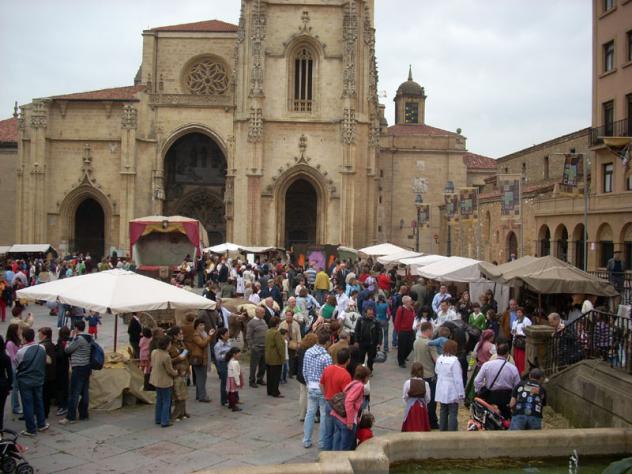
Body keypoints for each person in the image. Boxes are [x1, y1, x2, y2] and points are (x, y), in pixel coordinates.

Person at [302, 329, 333, 449]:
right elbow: (329, 376)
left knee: (310, 413)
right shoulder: (326, 357)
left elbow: (304, 370)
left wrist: (308, 383)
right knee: (324, 415)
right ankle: (322, 442)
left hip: (311, 386)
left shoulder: (308, 352)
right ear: (327, 342)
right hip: (322, 388)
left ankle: (306, 440)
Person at [474, 342, 520, 420]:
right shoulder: (513, 368)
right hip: (506, 398)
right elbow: (517, 385)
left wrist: (479, 390)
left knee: (489, 419)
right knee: (505, 420)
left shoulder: (487, 365)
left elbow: (477, 381)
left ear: (497, 352)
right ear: (507, 353)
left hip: (491, 397)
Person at [15, 327, 48, 436]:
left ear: (24, 338)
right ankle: (41, 424)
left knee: (28, 404)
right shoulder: (42, 347)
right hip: (38, 379)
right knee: (39, 401)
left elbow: (17, 364)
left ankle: (31, 429)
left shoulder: (21, 351)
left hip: (25, 381)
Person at [60, 320, 92, 425]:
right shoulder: (89, 337)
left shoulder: (79, 339)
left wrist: (70, 338)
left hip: (78, 367)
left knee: (74, 393)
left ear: (76, 328)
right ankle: (83, 414)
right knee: (85, 392)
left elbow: (67, 350)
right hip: (86, 366)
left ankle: (71, 416)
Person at [331, 365, 370, 451]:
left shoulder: (353, 383)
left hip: (337, 416)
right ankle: (343, 459)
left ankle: (333, 456)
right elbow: (349, 401)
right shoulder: (359, 386)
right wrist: (350, 421)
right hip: (346, 420)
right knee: (346, 446)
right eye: (368, 377)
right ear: (364, 377)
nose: (368, 379)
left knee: (337, 440)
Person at [319, 348, 352, 451]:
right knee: (337, 433)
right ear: (348, 360)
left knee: (328, 432)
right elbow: (347, 395)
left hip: (328, 403)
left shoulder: (328, 369)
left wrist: (326, 395)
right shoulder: (346, 375)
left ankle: (326, 453)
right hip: (338, 408)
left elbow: (321, 384)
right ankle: (334, 454)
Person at [412, 322, 439, 429]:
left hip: (417, 374)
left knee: (419, 400)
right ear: (428, 330)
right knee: (431, 401)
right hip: (429, 375)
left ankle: (420, 420)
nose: (432, 332)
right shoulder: (430, 343)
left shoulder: (416, 341)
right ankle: (432, 422)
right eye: (432, 330)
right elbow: (436, 359)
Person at [434, 340, 464, 432]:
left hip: (441, 387)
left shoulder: (440, 358)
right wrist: (461, 393)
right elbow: (458, 379)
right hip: (452, 388)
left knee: (443, 410)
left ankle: (442, 430)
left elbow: (436, 371)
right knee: (453, 412)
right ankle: (452, 432)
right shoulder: (454, 361)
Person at [150, 335, 177, 427]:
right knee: (166, 401)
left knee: (159, 400)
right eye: (170, 344)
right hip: (164, 381)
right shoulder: (166, 356)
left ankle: (158, 418)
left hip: (156, 379)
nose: (170, 346)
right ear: (166, 345)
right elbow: (170, 370)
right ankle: (165, 420)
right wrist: (176, 373)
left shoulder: (154, 352)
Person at [465, 329, 496, 403]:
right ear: (490, 337)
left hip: (478, 367)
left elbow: (473, 356)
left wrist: (470, 365)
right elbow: (495, 358)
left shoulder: (479, 344)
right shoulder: (492, 346)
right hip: (488, 369)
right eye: (493, 336)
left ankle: (470, 399)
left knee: (475, 383)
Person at [401, 362, 432, 432]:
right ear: (422, 371)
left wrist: (409, 402)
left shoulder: (407, 383)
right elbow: (428, 399)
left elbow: (404, 397)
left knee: (411, 426)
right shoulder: (426, 384)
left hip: (411, 407)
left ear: (412, 371)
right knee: (421, 425)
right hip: (422, 408)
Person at [190, 319, 215, 403]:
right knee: (201, 378)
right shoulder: (196, 335)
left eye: (203, 325)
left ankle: (199, 395)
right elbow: (202, 344)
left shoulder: (203, 334)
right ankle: (202, 396)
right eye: (200, 325)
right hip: (198, 359)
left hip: (202, 358)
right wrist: (209, 336)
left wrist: (209, 336)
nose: (202, 327)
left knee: (201, 378)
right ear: (196, 326)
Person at [296, 333, 318, 422]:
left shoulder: (301, 349)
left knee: (303, 395)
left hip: (301, 374)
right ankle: (311, 415)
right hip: (310, 375)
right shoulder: (312, 351)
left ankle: (302, 414)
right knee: (311, 396)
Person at [354, 307, 382, 372]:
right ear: (365, 313)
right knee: (361, 358)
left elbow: (380, 332)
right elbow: (356, 331)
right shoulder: (360, 320)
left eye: (372, 314)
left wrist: (379, 343)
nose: (371, 315)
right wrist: (356, 341)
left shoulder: (376, 321)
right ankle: (362, 370)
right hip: (362, 342)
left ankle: (369, 370)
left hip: (372, 343)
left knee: (371, 358)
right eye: (369, 314)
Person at [37, 327, 57, 419]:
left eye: (40, 333)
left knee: (43, 395)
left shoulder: (43, 346)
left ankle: (43, 413)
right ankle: (45, 412)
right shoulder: (51, 344)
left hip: (44, 374)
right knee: (47, 395)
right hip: (51, 374)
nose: (38, 335)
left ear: (44, 335)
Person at [247, 306, 268, 388]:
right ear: (257, 313)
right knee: (254, 365)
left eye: (264, 312)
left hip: (264, 346)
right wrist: (252, 346)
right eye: (262, 312)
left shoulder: (263, 321)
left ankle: (260, 379)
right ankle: (252, 380)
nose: (264, 314)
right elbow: (248, 336)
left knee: (263, 365)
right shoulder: (251, 323)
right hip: (256, 347)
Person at [264, 316, 285, 398]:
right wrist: (283, 357)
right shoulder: (276, 333)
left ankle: (270, 391)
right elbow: (280, 347)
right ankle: (275, 392)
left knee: (269, 375)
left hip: (268, 356)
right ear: (276, 324)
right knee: (276, 376)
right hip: (275, 358)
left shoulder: (268, 331)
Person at [394, 296, 416, 368]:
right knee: (402, 347)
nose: (411, 302)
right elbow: (397, 321)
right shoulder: (401, 309)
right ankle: (401, 361)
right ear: (405, 302)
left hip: (410, 330)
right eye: (410, 301)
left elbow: (414, 317)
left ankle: (404, 356)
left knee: (410, 345)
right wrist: (398, 332)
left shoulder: (411, 309)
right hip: (402, 331)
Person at [6, 323, 22, 415]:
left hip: (18, 366)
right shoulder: (10, 343)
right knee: (15, 388)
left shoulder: (16, 340)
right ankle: (15, 407)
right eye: (18, 329)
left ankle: (16, 406)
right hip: (14, 367)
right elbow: (13, 357)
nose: (20, 331)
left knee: (17, 387)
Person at [279, 310, 301, 378]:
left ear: (292, 316)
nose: (288, 317)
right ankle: (283, 373)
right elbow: (278, 333)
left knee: (292, 359)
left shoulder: (296, 324)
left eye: (290, 315)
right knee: (284, 359)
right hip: (284, 344)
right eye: (287, 315)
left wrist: (299, 343)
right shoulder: (282, 324)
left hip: (292, 344)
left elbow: (298, 334)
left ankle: (290, 373)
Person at [54, 327, 70, 417]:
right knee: (64, 387)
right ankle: (64, 405)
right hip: (65, 366)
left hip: (60, 368)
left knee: (61, 388)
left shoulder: (61, 342)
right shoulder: (68, 341)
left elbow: (60, 354)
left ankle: (63, 406)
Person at [214, 328, 232, 407]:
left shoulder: (229, 342)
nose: (228, 335)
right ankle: (224, 400)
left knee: (232, 381)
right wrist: (226, 355)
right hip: (223, 364)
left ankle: (233, 398)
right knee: (224, 382)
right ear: (222, 336)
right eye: (226, 334)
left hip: (230, 363)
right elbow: (218, 357)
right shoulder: (217, 345)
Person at [511, 307, 532, 375]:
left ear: (523, 313)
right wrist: (513, 332)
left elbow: (528, 331)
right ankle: (516, 371)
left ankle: (522, 372)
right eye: (517, 312)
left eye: (520, 312)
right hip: (515, 341)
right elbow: (513, 330)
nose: (518, 314)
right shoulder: (515, 321)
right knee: (516, 357)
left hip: (522, 342)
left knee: (521, 358)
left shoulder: (527, 320)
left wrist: (519, 333)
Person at [226, 347, 243, 412]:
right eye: (238, 353)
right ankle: (234, 406)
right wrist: (238, 382)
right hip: (233, 379)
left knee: (230, 392)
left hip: (230, 378)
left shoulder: (230, 361)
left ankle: (230, 404)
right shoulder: (235, 362)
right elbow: (236, 373)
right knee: (233, 392)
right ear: (234, 354)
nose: (240, 355)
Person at [0, 336, 12, 431]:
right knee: (1, 409)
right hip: (2, 385)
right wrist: (8, 386)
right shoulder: (5, 357)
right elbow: (10, 374)